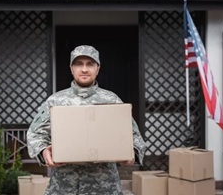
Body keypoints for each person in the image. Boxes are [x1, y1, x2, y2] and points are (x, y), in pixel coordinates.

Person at [27, 45, 146, 195]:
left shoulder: (112, 100)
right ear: (71, 68)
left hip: (105, 188)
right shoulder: (55, 101)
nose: (84, 69)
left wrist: (131, 154)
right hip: (64, 187)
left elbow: (134, 137)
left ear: (98, 68)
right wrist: (44, 151)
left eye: (90, 64)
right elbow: (35, 134)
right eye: (78, 64)